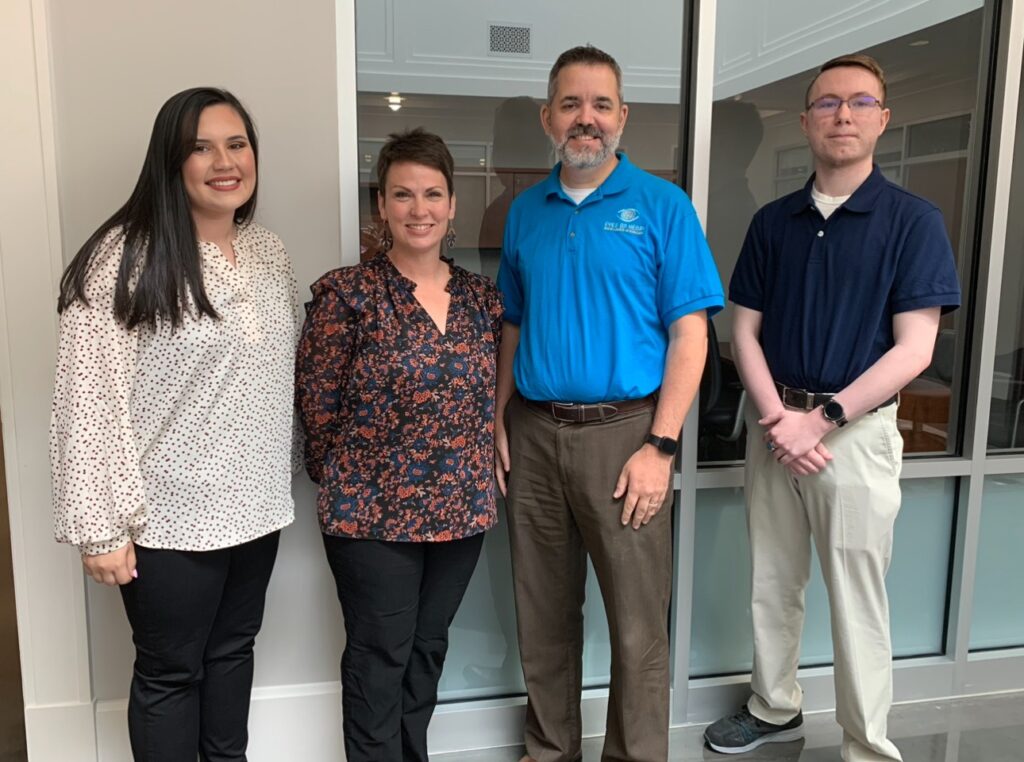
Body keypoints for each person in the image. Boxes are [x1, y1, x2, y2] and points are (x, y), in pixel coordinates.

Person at [703, 54, 961, 760]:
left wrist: (819, 420)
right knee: (772, 582)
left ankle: (866, 745)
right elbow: (744, 331)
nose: (842, 115)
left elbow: (914, 350)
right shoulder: (772, 222)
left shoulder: (913, 222)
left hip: (852, 438)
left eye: (859, 102)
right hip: (773, 427)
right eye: (826, 104)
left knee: (857, 600)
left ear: (882, 117)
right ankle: (775, 706)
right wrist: (780, 420)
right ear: (805, 120)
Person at [50, 87, 299, 760]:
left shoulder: (268, 251)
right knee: (170, 673)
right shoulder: (124, 256)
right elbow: (88, 398)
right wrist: (99, 527)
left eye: (237, 143)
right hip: (168, 517)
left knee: (232, 655)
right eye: (201, 147)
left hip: (256, 508)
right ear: (171, 161)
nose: (225, 161)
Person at [496, 45, 724, 762]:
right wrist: (496, 419)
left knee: (636, 629)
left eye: (600, 105)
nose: (585, 119)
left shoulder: (663, 206)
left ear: (623, 117)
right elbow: (513, 324)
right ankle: (549, 751)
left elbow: (691, 334)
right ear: (547, 118)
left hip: (627, 438)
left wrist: (660, 446)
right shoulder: (524, 212)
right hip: (532, 436)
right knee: (544, 621)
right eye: (570, 104)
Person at [295, 127, 502, 762]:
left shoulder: (481, 299)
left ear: (453, 205)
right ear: (380, 206)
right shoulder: (347, 295)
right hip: (371, 516)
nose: (420, 209)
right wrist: (354, 475)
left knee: (427, 648)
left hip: (462, 510)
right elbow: (317, 407)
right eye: (403, 195)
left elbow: (490, 396)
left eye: (433, 194)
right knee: (379, 654)